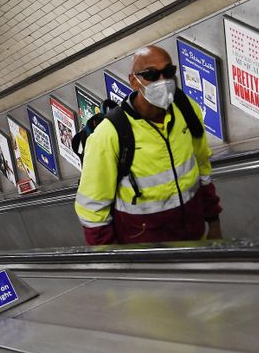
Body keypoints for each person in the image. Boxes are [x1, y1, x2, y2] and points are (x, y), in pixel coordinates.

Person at [75, 45, 222, 244]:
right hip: (147, 253)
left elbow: (203, 166)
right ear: (134, 81)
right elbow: (92, 208)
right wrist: (112, 261)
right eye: (151, 74)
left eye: (168, 72)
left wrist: (213, 221)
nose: (163, 81)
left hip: (195, 237)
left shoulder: (187, 110)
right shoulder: (110, 134)